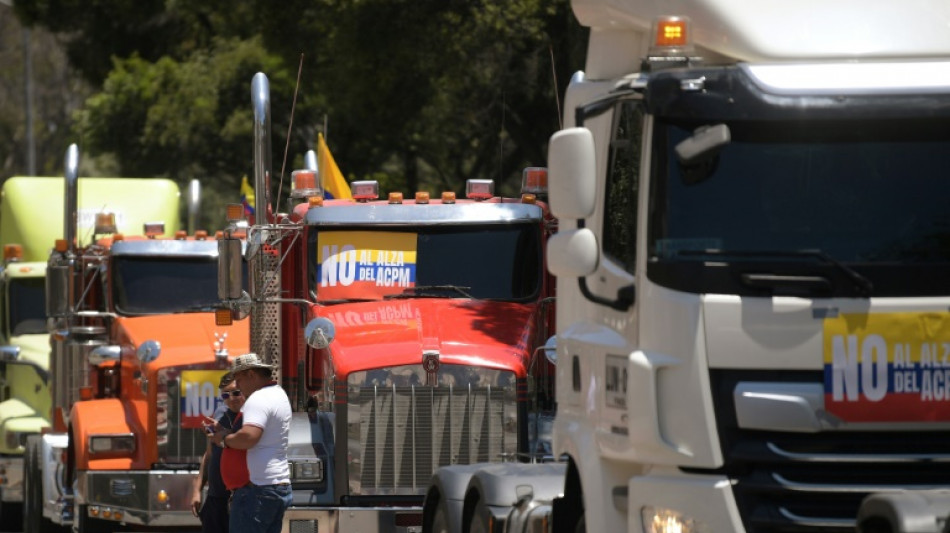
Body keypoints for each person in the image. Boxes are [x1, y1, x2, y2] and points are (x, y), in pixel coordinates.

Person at [209, 353, 292, 533]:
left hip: (257, 491)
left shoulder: (258, 398)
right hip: (273, 487)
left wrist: (223, 440)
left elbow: (249, 437)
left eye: (238, 380)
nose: (237, 386)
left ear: (251, 375)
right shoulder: (278, 394)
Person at [192, 373, 245, 533]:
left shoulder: (252, 416)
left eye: (236, 392)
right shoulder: (221, 414)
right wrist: (197, 489)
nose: (231, 398)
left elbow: (247, 443)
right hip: (215, 498)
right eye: (225, 395)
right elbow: (209, 454)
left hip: (240, 497)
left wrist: (224, 433)